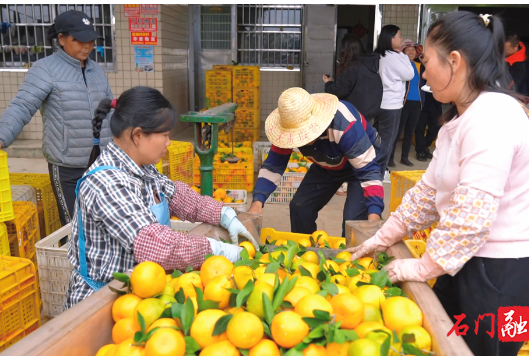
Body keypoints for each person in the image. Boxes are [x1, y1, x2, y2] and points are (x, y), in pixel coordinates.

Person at [347, 12, 529, 356]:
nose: (424, 72)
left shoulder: (493, 118)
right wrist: (382, 238)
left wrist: (422, 266)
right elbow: (427, 195)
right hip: (464, 260)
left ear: (455, 62)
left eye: (427, 62)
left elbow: (470, 219)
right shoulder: (461, 119)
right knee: (444, 340)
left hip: (503, 273)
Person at [65, 87, 258, 308]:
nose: (169, 142)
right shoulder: (107, 183)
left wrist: (224, 214)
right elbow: (155, 245)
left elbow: (178, 196)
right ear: (137, 136)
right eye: (164, 135)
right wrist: (216, 250)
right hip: (102, 301)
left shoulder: (143, 167)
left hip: (143, 289)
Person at [0, 10, 113, 228]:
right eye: (78, 39)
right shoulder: (45, 70)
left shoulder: (97, 71)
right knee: (75, 227)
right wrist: (2, 135)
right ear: (61, 39)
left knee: (102, 224)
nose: (87, 45)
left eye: (90, 39)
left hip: (101, 163)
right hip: (67, 164)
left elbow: (109, 110)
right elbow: (22, 106)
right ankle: (76, 263)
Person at [248, 87, 386, 237]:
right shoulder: (287, 129)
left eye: (303, 135)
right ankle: (306, 251)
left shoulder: (345, 126)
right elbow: (274, 165)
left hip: (365, 160)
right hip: (330, 162)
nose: (300, 140)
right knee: (300, 207)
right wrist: (257, 202)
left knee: (353, 222)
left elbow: (368, 173)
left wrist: (373, 218)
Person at [323, 34, 383, 197]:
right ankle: (360, 186)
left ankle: (347, 186)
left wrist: (328, 83)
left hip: (353, 117)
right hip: (368, 115)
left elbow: (338, 91)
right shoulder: (372, 65)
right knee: (363, 152)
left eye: (343, 49)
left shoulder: (353, 68)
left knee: (349, 153)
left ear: (348, 50)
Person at [373, 25, 415, 173]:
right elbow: (410, 74)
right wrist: (404, 56)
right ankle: (377, 174)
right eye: (399, 36)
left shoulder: (380, 55)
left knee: (379, 140)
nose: (401, 39)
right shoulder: (393, 58)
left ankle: (375, 170)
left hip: (381, 103)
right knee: (387, 142)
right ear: (391, 39)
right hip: (391, 106)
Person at [388, 39, 424, 167]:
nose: (410, 52)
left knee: (409, 133)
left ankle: (404, 157)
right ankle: (390, 158)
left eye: (413, 50)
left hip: (417, 103)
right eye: (407, 50)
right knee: (397, 132)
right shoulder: (401, 66)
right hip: (403, 103)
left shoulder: (419, 65)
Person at [414, 84, 442, 162]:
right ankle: (419, 150)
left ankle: (425, 146)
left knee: (436, 127)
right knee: (419, 127)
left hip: (436, 104)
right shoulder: (424, 72)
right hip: (423, 103)